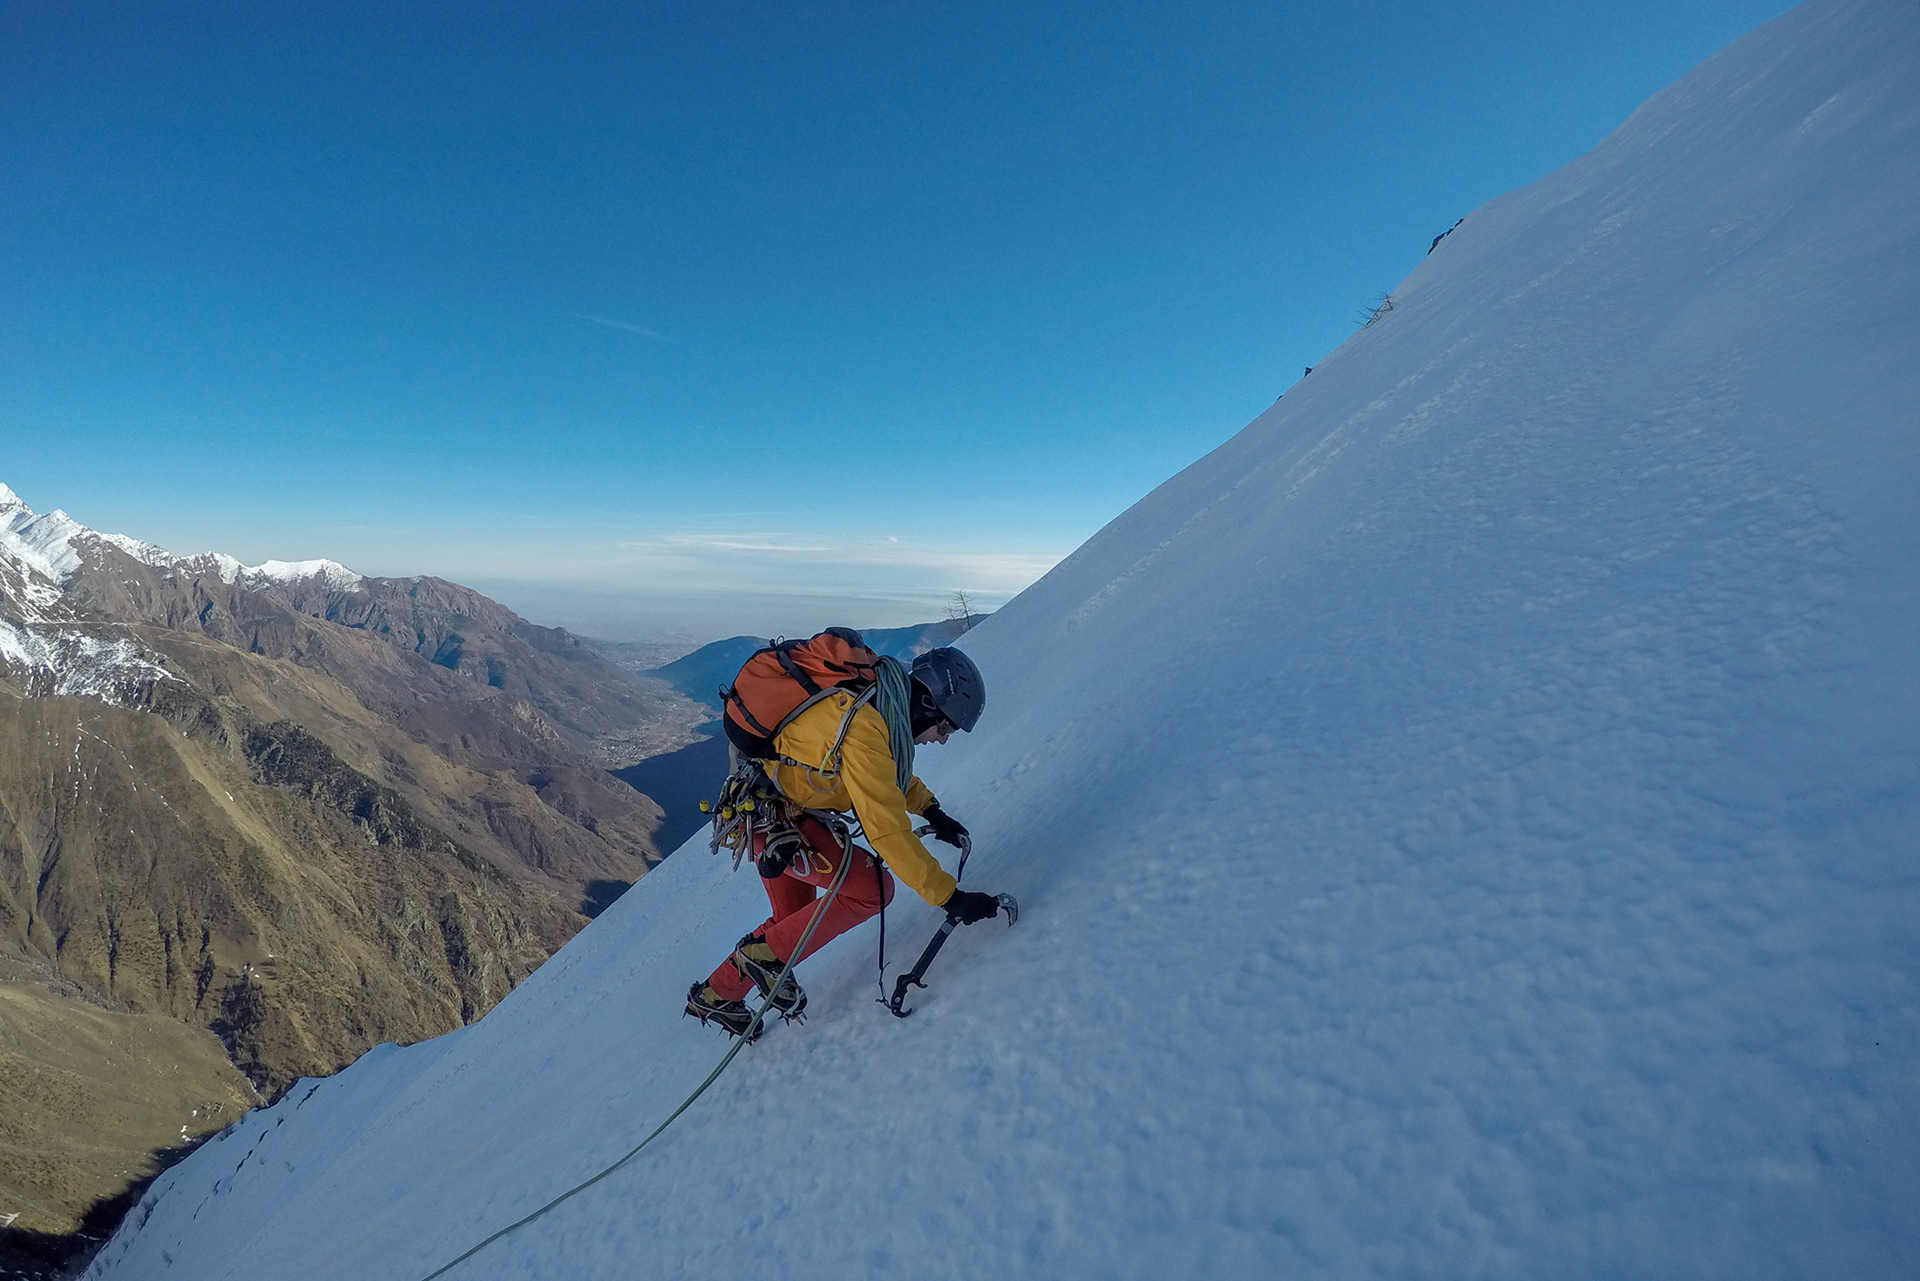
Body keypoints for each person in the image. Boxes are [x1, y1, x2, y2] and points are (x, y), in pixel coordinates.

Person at [686, 646, 1005, 1038]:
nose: (941, 740)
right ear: (926, 703)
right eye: (944, 728)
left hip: (762, 816)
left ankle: (717, 995)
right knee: (872, 890)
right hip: (781, 823)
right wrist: (950, 897)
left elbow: (882, 776)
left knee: (791, 923)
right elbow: (886, 830)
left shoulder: (870, 703)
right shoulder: (864, 727)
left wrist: (931, 810)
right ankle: (761, 959)